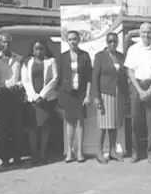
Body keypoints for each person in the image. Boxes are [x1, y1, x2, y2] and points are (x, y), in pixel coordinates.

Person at [124, 22, 151, 163]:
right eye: (143, 32)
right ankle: (135, 152)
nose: (146, 35)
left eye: (148, 32)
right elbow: (129, 71)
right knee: (135, 121)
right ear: (140, 33)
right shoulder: (133, 49)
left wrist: (150, 90)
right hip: (136, 86)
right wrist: (140, 90)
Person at [92, 32, 128, 164]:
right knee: (103, 124)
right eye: (110, 41)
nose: (112, 44)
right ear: (106, 43)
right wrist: (96, 96)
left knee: (114, 124)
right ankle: (99, 152)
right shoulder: (100, 57)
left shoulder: (120, 57)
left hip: (118, 93)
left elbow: (124, 77)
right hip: (105, 93)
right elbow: (95, 77)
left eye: (115, 41)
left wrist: (126, 95)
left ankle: (112, 150)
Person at [21, 40, 58, 165]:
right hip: (32, 100)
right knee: (33, 129)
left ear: (45, 49)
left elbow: (54, 79)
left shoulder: (51, 61)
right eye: (36, 49)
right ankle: (34, 154)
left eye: (41, 49)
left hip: (47, 100)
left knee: (45, 128)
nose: (39, 51)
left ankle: (43, 154)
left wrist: (42, 95)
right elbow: (25, 80)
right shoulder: (27, 62)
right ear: (32, 50)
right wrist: (34, 96)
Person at [58, 30, 92, 163]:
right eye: (70, 39)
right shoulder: (62, 57)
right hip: (67, 93)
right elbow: (59, 79)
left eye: (75, 39)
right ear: (67, 41)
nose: (72, 42)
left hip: (81, 93)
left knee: (80, 122)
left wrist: (88, 94)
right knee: (69, 122)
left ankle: (80, 152)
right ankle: (69, 152)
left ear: (79, 40)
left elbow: (89, 77)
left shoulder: (85, 56)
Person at [0, 33, 24, 167]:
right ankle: (4, 157)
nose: (6, 45)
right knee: (3, 128)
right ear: (0, 43)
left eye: (9, 42)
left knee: (17, 127)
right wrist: (0, 88)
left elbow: (25, 78)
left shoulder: (19, 59)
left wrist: (18, 85)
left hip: (16, 94)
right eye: (4, 42)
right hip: (2, 95)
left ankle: (17, 156)